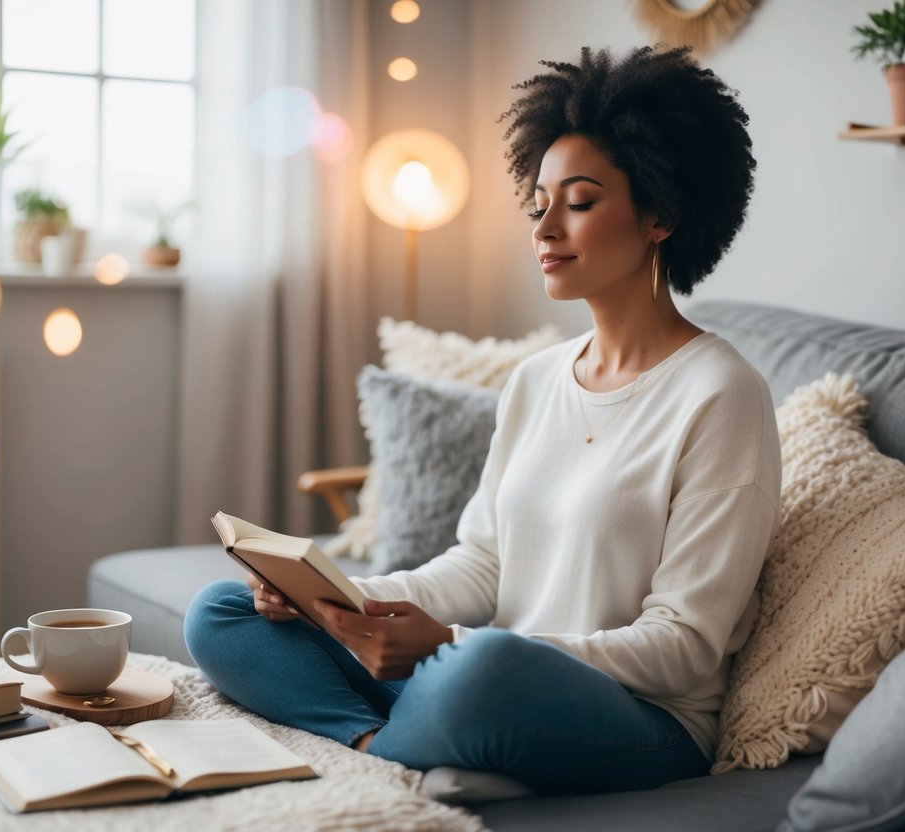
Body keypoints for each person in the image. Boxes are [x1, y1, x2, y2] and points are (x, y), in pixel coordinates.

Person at [185, 45, 780, 796]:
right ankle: (375, 743)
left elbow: (684, 649)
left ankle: (432, 733)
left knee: (485, 670)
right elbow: (482, 564)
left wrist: (451, 646)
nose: (544, 226)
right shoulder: (534, 381)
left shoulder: (721, 395)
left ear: (660, 211)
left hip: (637, 716)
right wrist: (338, 599)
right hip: (479, 670)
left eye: (581, 201)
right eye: (539, 202)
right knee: (226, 610)